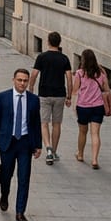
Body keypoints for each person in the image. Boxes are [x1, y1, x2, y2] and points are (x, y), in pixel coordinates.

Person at [0, 69, 42, 221]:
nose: (22, 83)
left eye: (25, 81)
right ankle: (4, 195)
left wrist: (38, 145)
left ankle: (20, 211)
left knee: (24, 178)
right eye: (20, 80)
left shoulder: (33, 100)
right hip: (7, 142)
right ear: (13, 80)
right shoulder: (3, 97)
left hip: (25, 143)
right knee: (6, 176)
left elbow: (36, 124)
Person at [30, 31, 72, 165]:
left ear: (48, 42)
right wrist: (69, 95)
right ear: (59, 43)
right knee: (57, 124)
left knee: (44, 123)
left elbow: (34, 74)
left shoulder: (42, 57)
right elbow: (69, 78)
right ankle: (53, 151)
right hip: (59, 94)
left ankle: (47, 147)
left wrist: (30, 89)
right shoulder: (64, 59)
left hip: (44, 93)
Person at [70, 48, 111, 170]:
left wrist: (74, 105)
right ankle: (94, 159)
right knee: (95, 134)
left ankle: (80, 154)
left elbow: (75, 90)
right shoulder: (101, 73)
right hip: (98, 107)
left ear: (82, 60)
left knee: (83, 132)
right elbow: (106, 89)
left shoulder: (79, 73)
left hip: (83, 106)